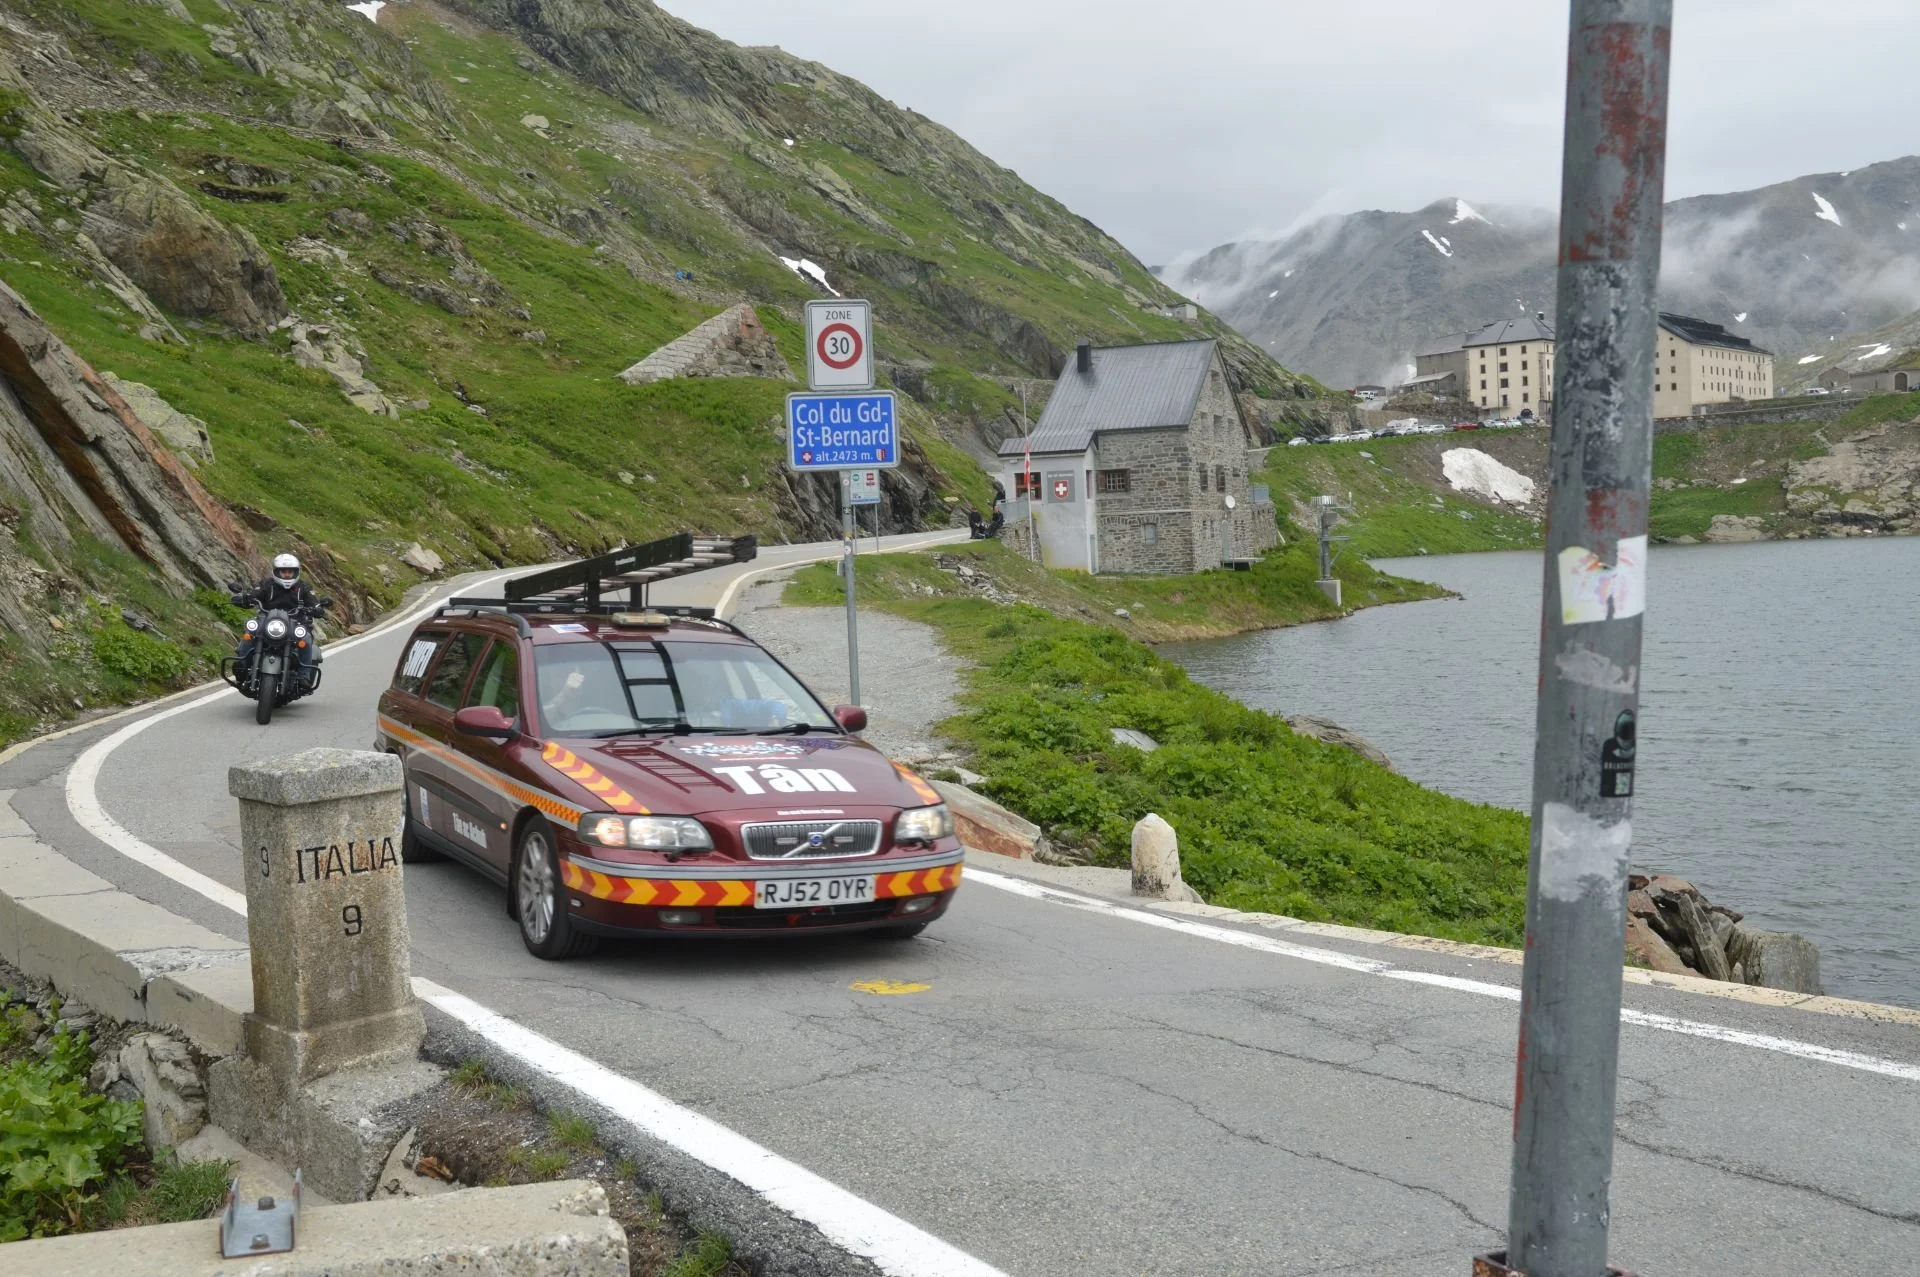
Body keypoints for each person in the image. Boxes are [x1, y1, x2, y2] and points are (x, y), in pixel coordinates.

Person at [232, 553, 326, 684]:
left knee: (305, 639)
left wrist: (317, 608)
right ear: (276, 572)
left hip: (296, 621)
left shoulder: (303, 587)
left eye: (290, 572)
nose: (287, 575)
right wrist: (245, 599)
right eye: (283, 572)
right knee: (251, 632)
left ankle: (303, 675)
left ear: (296, 572)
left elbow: (313, 601)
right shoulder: (266, 585)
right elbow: (254, 594)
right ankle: (241, 666)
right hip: (267, 620)